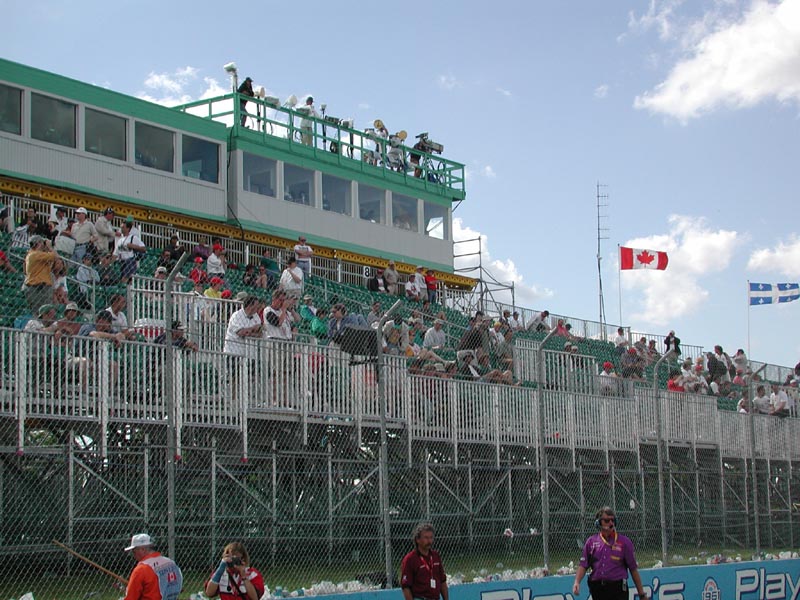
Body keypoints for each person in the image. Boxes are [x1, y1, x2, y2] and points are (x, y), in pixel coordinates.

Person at [572, 507, 648, 600]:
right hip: (598, 589)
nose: (610, 523)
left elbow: (633, 569)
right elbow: (583, 565)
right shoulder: (591, 542)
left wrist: (641, 594)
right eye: (607, 520)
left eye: (612, 520)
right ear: (599, 522)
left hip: (617, 588)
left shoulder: (624, 542)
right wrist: (577, 582)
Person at [123, 533, 183, 600]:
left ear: (142, 549)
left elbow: (131, 598)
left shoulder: (141, 570)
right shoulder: (171, 563)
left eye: (134, 551)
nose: (133, 555)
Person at [400, 522, 448, 600]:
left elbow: (442, 581)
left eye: (431, 537)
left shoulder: (435, 556)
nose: (429, 541)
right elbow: (406, 586)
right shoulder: (410, 559)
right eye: (426, 538)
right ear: (417, 540)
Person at [24, 235, 57, 314]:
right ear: (38, 243)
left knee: (46, 311)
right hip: (38, 288)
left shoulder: (35, 254)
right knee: (40, 312)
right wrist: (50, 247)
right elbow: (55, 256)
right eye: (42, 243)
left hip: (41, 286)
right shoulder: (35, 254)